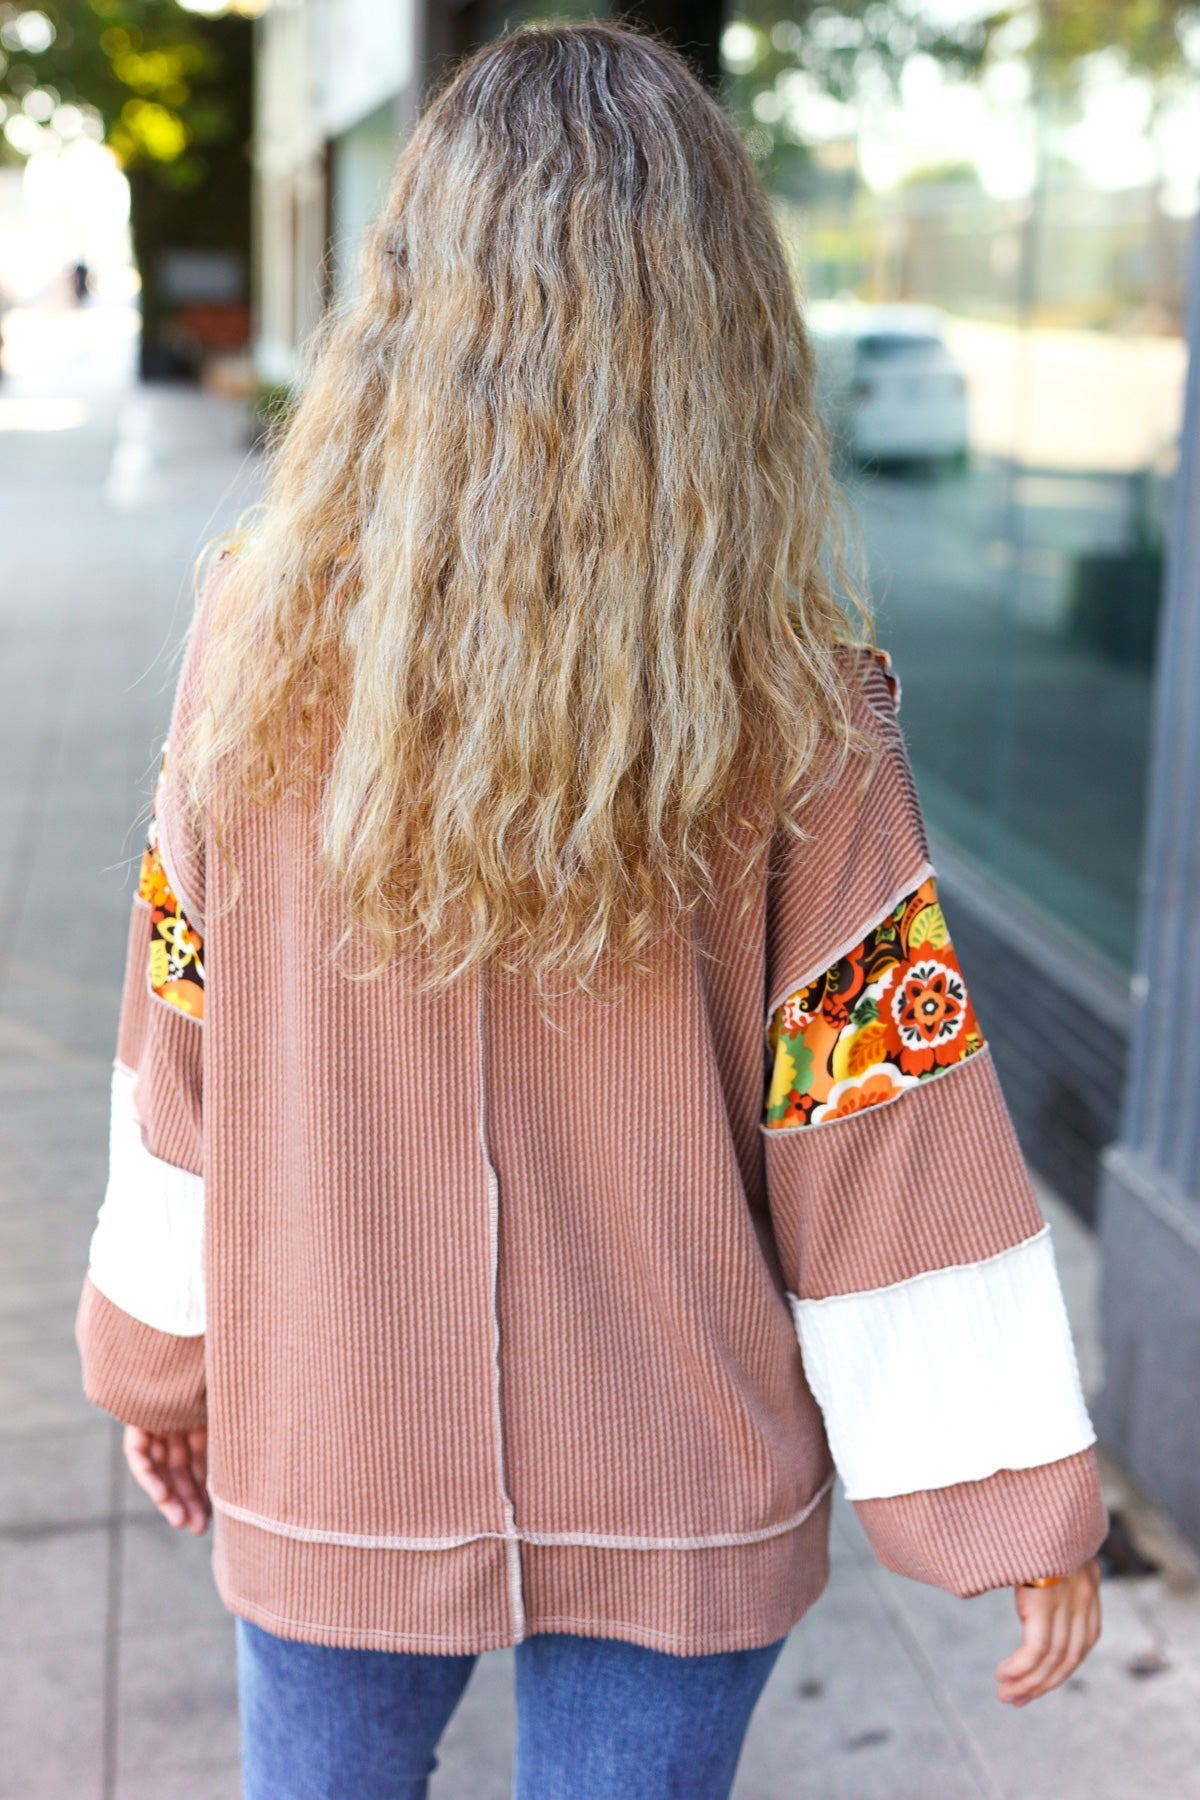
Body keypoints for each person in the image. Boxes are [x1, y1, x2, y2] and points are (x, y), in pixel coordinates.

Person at [74, 22, 1106, 1800]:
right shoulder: (792, 706)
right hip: (679, 1463)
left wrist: (166, 1359)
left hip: (336, 1434)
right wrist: (1009, 1488)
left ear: (407, 293)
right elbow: (881, 1114)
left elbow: (184, 1026)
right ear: (721, 321)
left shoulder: (250, 644)